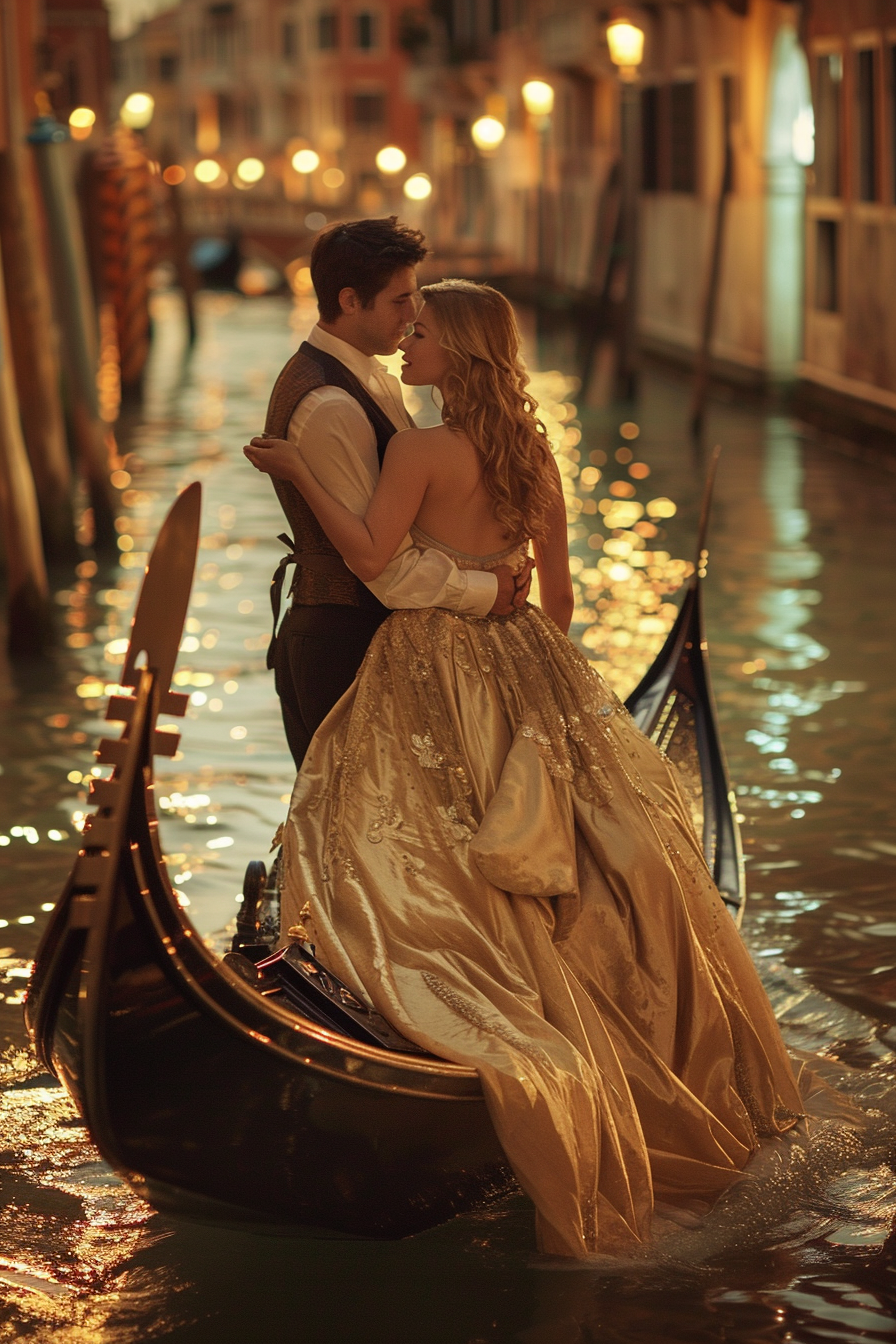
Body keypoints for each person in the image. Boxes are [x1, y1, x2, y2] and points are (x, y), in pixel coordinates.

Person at [244, 280, 804, 1259]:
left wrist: (300, 467)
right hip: (530, 659)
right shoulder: (532, 453)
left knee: (388, 830)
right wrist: (515, 660)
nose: (407, 348)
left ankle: (414, 999)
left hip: (424, 657)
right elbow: (560, 598)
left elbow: (377, 562)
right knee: (588, 841)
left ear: (457, 353)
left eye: (421, 335)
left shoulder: (417, 449)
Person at [259, 217, 531, 768]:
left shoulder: (371, 377)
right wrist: (489, 591)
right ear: (351, 301)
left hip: (367, 636)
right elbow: (380, 564)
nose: (413, 316)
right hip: (344, 639)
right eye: (400, 300)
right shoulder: (332, 404)